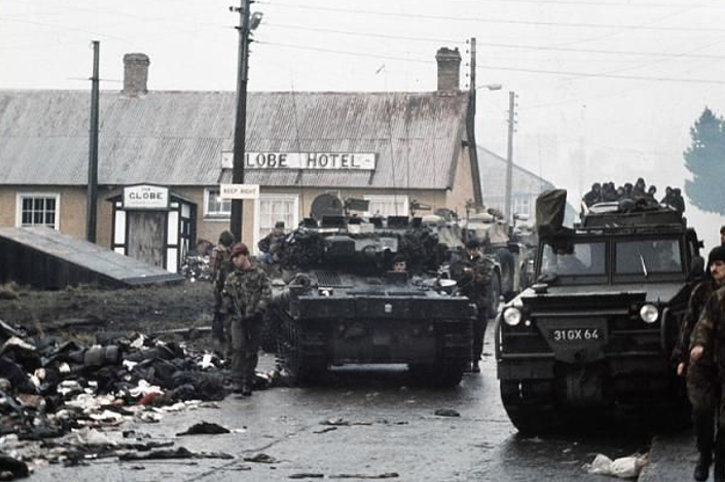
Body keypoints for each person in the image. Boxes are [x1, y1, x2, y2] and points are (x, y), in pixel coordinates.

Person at [689, 246, 725, 481]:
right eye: (712, 264)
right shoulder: (708, 294)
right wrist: (689, 352)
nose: (714, 269)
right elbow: (697, 325)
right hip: (704, 367)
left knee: (724, 424)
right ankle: (704, 455)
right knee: (702, 413)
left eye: (720, 264)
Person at [221, 242, 272, 396]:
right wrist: (229, 305)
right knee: (238, 348)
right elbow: (225, 294)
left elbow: (267, 294)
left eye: (237, 257)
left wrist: (258, 310)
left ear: (245, 256)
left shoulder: (259, 274)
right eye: (233, 258)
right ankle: (237, 380)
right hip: (238, 318)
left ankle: (247, 381)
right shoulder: (232, 277)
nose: (235, 260)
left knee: (251, 351)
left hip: (254, 318)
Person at [457, 239, 495, 373]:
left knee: (478, 334)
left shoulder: (486, 263)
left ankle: (476, 361)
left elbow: (486, 279)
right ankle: (466, 360)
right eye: (470, 249)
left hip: (480, 303)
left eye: (474, 249)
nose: (472, 252)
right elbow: (456, 280)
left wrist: (473, 274)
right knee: (466, 333)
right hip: (465, 303)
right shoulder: (462, 262)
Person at [209, 230, 235, 353]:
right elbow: (215, 270)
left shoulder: (218, 251)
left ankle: (218, 336)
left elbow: (212, 270)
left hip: (221, 283)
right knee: (222, 309)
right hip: (223, 283)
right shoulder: (222, 252)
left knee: (219, 310)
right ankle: (219, 336)